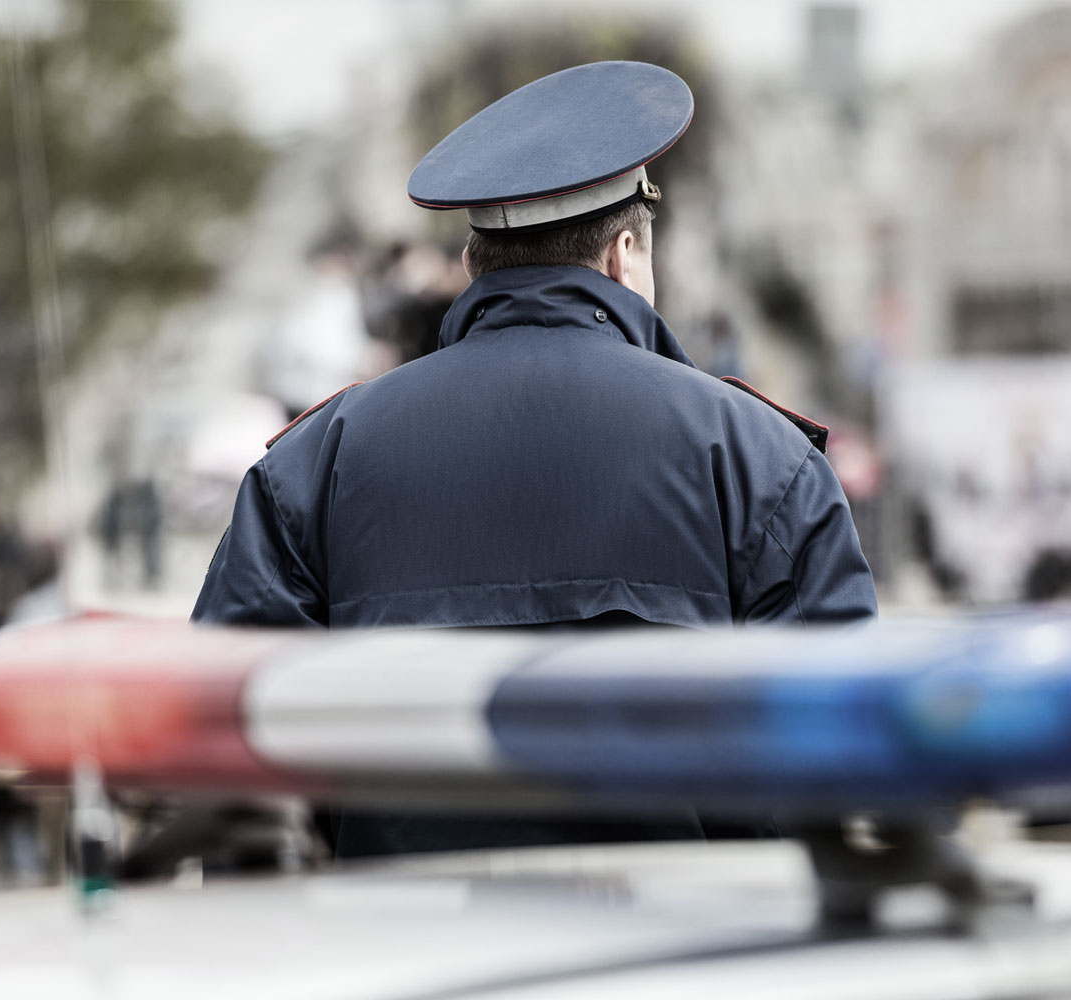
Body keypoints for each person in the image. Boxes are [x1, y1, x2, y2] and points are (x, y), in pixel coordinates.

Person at [193, 61, 876, 855]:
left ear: (473, 265)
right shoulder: (762, 458)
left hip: (398, 927)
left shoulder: (317, 460)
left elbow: (223, 743)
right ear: (624, 253)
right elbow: (844, 749)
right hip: (690, 926)